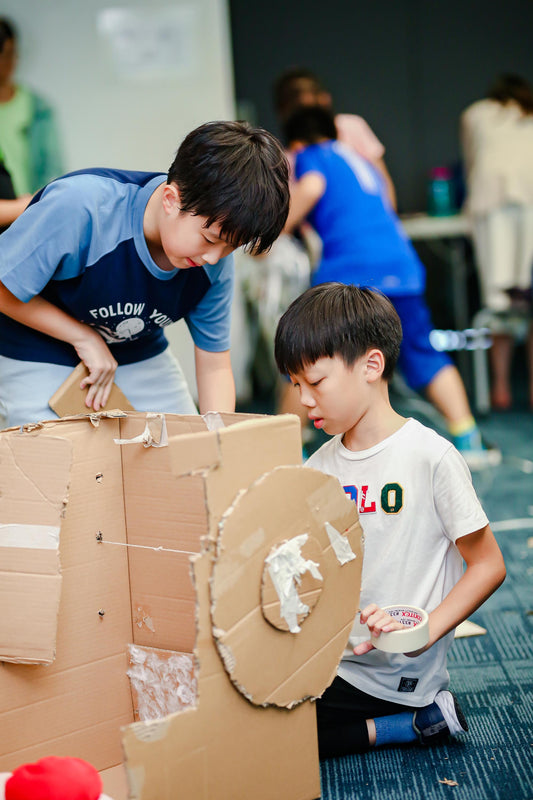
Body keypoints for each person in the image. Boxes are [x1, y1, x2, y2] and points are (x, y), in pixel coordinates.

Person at [274, 282, 506, 758]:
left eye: (315, 382)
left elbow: (488, 566)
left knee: (265, 736)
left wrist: (426, 631)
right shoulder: (316, 468)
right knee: (229, 702)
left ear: (371, 366)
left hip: (393, 674)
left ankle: (410, 723)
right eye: (296, 385)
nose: (303, 400)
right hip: (330, 660)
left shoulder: (430, 458)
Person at [0, 120, 289, 427]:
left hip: (135, 350)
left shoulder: (214, 260)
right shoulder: (81, 207)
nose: (213, 258)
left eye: (231, 247)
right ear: (170, 200)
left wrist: (219, 437)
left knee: (189, 455)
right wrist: (83, 337)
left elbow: (215, 364)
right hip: (35, 344)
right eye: (209, 239)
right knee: (62, 461)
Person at [282, 104, 499, 468]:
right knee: (423, 351)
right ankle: (468, 436)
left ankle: (282, 449)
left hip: (353, 272)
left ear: (298, 142)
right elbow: (387, 201)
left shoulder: (311, 156)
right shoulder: (358, 158)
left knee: (305, 357)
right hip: (401, 266)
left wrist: (271, 229)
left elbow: (313, 188)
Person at [461, 73, 533, 410]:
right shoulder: (528, 113)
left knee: (498, 303)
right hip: (528, 202)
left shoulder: (475, 114)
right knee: (527, 300)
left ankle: (500, 388)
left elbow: (471, 163)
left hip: (491, 208)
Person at [273, 66, 397, 210]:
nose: (310, 122)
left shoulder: (350, 127)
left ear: (325, 99)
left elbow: (383, 180)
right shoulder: (289, 159)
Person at [0, 18, 63, 196]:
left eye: (11, 54)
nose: (7, 62)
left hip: (29, 210)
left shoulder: (38, 108)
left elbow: (53, 168)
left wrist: (39, 203)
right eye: (2, 54)